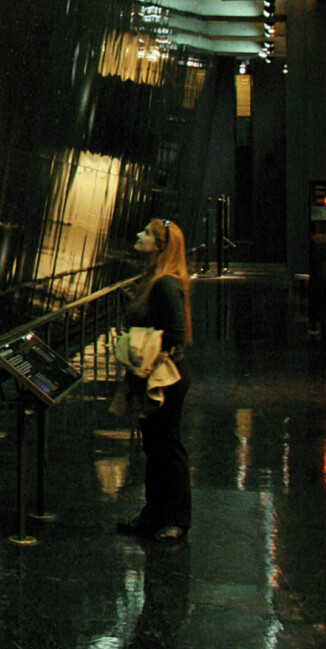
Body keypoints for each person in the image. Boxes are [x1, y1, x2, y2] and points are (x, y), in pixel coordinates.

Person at [117, 218, 193, 541]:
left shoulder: (164, 284)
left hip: (166, 376)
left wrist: (140, 342)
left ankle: (176, 519)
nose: (139, 234)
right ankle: (154, 514)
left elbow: (175, 333)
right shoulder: (154, 280)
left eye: (146, 233)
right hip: (154, 374)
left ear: (161, 246)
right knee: (154, 446)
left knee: (167, 447)